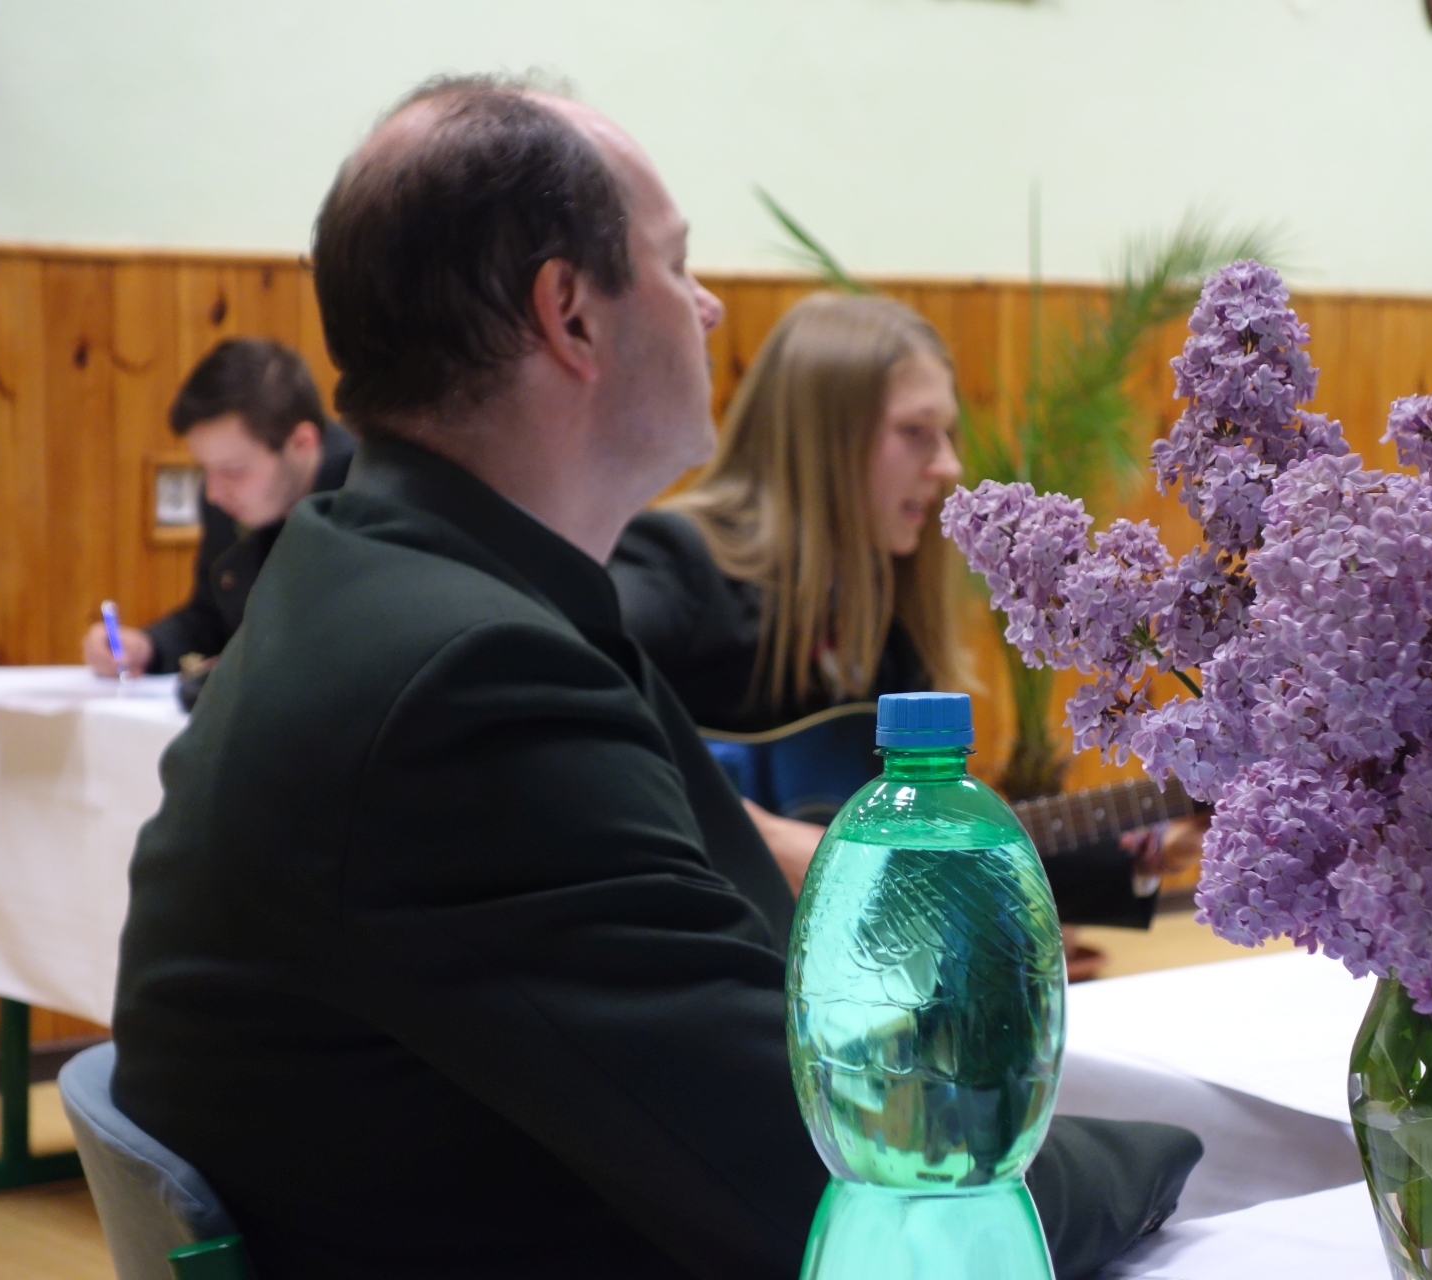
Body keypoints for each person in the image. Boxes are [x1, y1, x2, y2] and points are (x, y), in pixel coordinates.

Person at [111, 76, 1199, 1280]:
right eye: (679, 266)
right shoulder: (464, 679)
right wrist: (1193, 1157)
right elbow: (828, 1177)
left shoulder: (393, 582)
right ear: (570, 316)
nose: (712, 306)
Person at [609, 293, 1201, 932]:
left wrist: (1142, 856)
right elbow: (569, 693)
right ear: (823, 439)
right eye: (916, 431)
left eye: (947, 434)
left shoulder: (886, 626)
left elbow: (930, 857)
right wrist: (760, 838)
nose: (948, 465)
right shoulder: (679, 565)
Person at [80, 338, 355, 677]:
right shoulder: (229, 501)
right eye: (205, 470)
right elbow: (211, 618)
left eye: (233, 470)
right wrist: (148, 646)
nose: (213, 493)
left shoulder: (369, 500)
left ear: (301, 443)